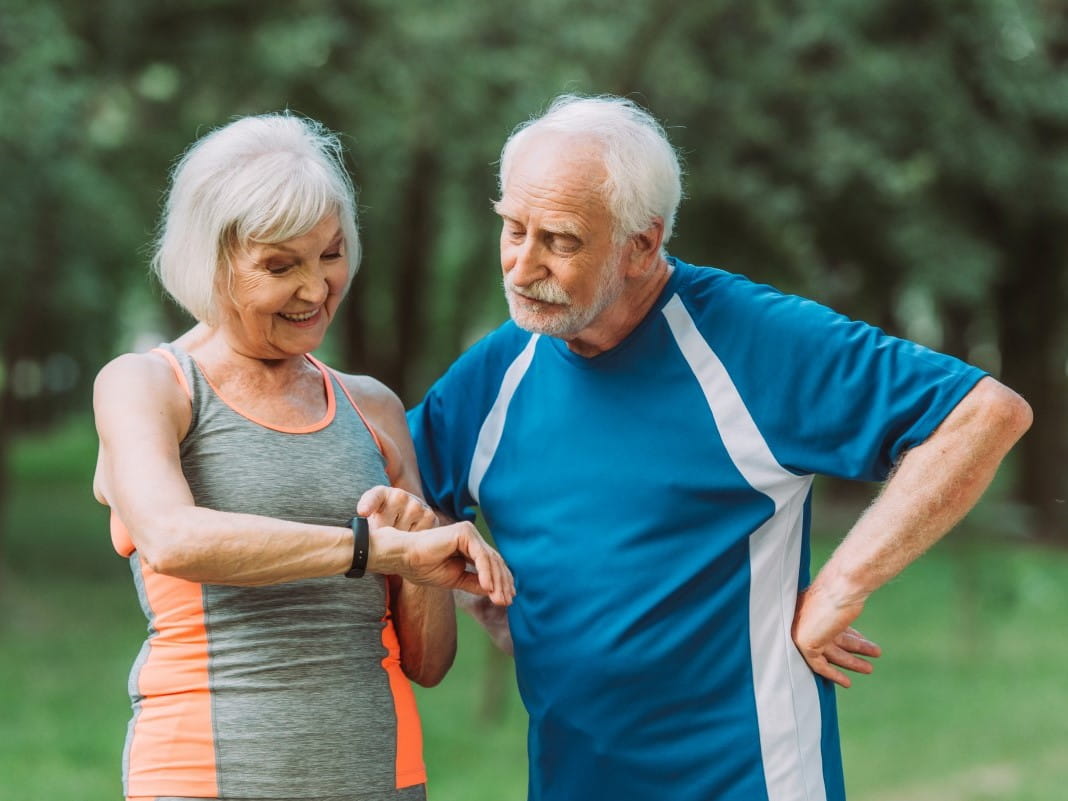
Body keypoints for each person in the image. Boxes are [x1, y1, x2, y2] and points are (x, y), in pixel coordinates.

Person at [406, 95, 1032, 801]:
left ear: (642, 245)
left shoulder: (748, 341)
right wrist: (491, 601)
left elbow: (982, 414)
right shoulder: (496, 373)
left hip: (749, 779)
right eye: (513, 230)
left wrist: (841, 586)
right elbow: (397, 498)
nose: (522, 267)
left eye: (561, 241)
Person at [92, 112, 514, 801]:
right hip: (209, 776)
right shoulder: (146, 386)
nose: (317, 289)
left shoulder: (371, 408)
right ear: (212, 261)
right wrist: (371, 549)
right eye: (281, 265)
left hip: (382, 776)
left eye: (331, 253)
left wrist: (418, 552)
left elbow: (430, 661)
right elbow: (172, 537)